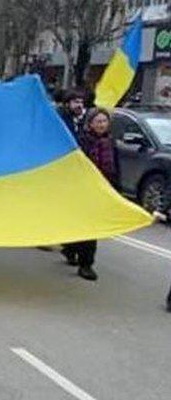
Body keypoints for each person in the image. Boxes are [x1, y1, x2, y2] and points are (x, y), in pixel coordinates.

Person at [64, 108, 119, 281]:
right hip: (83, 189)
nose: (102, 124)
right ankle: (71, 249)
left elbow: (116, 168)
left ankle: (86, 264)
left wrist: (116, 190)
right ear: (90, 124)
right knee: (79, 224)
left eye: (104, 121)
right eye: (98, 121)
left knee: (92, 227)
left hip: (101, 189)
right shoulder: (82, 142)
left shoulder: (111, 143)